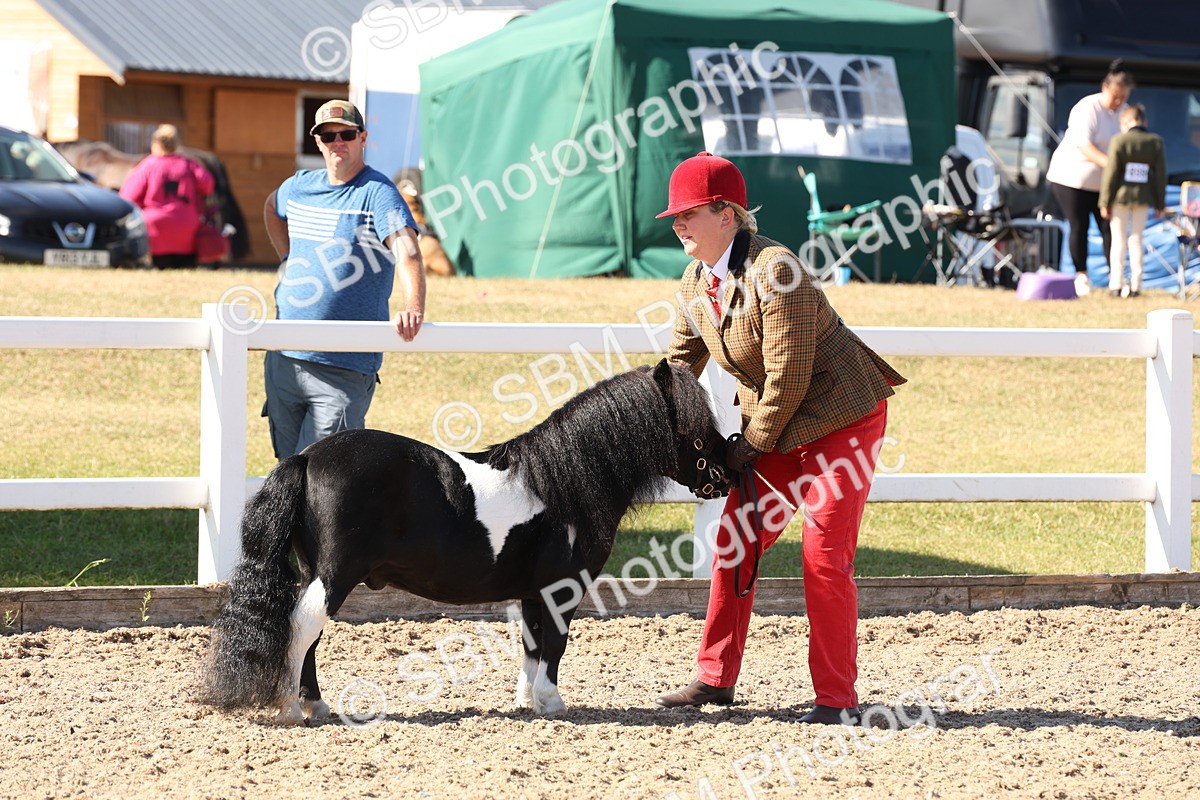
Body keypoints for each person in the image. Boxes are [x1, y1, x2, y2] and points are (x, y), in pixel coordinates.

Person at [653, 152, 905, 725]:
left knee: (823, 559)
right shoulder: (695, 281)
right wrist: (643, 416)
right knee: (734, 545)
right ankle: (714, 680)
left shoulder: (778, 268)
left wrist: (747, 444)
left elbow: (788, 372)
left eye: (689, 213)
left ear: (728, 214)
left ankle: (837, 699)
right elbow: (677, 365)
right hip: (776, 431)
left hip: (840, 423)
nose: (678, 225)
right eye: (675, 216)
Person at [262, 99, 425, 459]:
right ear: (317, 142)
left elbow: (408, 252)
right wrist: (288, 257)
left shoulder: (378, 193)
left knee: (323, 476)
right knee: (286, 472)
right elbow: (272, 208)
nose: (337, 142)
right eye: (327, 135)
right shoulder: (299, 185)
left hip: (343, 366)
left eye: (346, 134)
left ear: (362, 137)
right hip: (284, 358)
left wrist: (412, 306)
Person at [1045, 60, 1134, 296]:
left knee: (1110, 227)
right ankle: (1081, 276)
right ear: (1105, 88)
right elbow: (1084, 146)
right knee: (1079, 225)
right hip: (1071, 178)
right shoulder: (1087, 108)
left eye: (1123, 97)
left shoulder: (1124, 113)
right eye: (1116, 96)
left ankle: (1117, 279)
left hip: (1104, 184)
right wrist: (1113, 165)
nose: (1119, 102)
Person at [119, 124, 215, 268]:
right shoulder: (189, 164)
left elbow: (128, 196)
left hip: (155, 229)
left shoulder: (148, 165)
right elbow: (208, 185)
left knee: (160, 270)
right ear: (177, 144)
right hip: (187, 227)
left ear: (155, 144)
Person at [1099, 104, 1166, 298]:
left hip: (1120, 198)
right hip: (1143, 198)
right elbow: (1160, 175)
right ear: (1144, 121)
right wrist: (1160, 203)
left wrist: (1105, 202)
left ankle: (1116, 284)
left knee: (1118, 240)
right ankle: (1136, 285)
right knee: (1137, 239)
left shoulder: (1119, 140)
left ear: (1126, 123)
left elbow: (1110, 174)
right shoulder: (1155, 142)